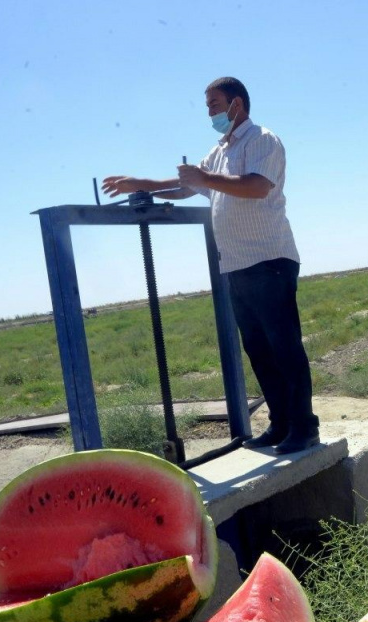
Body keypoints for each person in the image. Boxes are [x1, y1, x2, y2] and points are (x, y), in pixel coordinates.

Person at [102, 76, 319, 454]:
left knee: (284, 348)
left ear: (237, 104)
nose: (210, 112)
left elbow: (256, 186)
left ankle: (304, 427)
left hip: (269, 259)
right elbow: (188, 186)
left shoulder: (262, 140)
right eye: (207, 106)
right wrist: (141, 183)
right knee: (259, 349)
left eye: (214, 104)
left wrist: (204, 178)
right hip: (236, 264)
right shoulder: (218, 151)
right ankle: (281, 423)